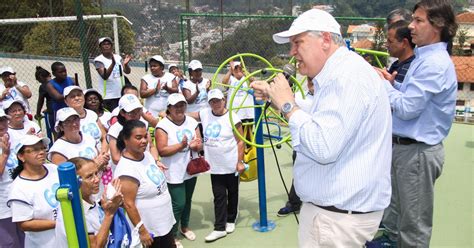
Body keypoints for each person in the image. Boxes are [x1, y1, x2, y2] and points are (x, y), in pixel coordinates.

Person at [250, 9, 392, 247]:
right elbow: (323, 113)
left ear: (325, 39)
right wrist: (276, 97)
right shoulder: (344, 71)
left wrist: (287, 105)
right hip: (336, 217)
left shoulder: (346, 78)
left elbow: (323, 146)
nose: (292, 52)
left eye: (298, 43)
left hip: (335, 222)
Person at [370, 1, 458, 247]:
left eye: (418, 21)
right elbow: (413, 98)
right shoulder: (424, 57)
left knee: (413, 226)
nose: (411, 26)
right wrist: (394, 84)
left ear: (438, 26)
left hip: (417, 153)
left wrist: (385, 87)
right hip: (407, 150)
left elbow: (408, 109)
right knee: (399, 212)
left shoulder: (434, 63)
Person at [187, 89, 245, 242]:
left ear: (224, 100)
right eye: (212, 101)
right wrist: (168, 113)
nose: (215, 104)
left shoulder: (233, 117)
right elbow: (189, 115)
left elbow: (240, 141)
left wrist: (239, 162)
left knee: (232, 193)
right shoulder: (205, 113)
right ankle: (220, 227)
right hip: (214, 165)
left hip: (231, 163)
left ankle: (231, 219)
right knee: (219, 196)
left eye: (218, 100)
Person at [114, 120, 176, 248]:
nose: (144, 141)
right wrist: (142, 231)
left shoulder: (146, 155)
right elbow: (128, 204)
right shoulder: (127, 170)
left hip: (163, 224)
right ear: (126, 139)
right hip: (150, 231)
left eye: (145, 136)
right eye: (138, 137)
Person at [155, 93, 202, 248]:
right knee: (178, 203)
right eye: (176, 106)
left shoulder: (192, 121)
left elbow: (199, 142)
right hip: (173, 171)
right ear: (169, 108)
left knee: (188, 200)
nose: (180, 108)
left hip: (190, 168)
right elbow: (162, 150)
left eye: (182, 105)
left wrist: (197, 146)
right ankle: (172, 235)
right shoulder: (162, 126)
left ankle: (185, 227)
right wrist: (182, 146)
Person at [55, 157, 123, 248]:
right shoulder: (75, 209)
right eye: (89, 176)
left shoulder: (89, 197)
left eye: (96, 173)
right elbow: (95, 246)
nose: (97, 179)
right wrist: (109, 214)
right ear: (77, 182)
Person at [7, 135, 58, 247]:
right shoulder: (18, 188)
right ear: (21, 156)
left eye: (42, 148)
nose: (41, 152)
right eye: (35, 150)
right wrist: (58, 224)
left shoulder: (54, 169)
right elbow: (24, 224)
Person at [277, 78, 314, 217]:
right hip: (301, 145)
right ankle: (294, 203)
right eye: (310, 80)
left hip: (321, 142)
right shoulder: (299, 96)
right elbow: (279, 104)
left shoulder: (329, 97)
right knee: (299, 175)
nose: (312, 83)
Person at [0, 108, 24, 248]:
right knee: (9, 243)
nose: (2, 124)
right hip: (3, 207)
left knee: (26, 240)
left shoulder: (14, 139)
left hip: (20, 200)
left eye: (3, 120)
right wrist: (4, 155)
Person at [63, 85, 108, 153]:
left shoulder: (92, 114)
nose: (77, 98)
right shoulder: (65, 118)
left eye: (79, 95)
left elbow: (104, 136)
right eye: (72, 96)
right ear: (66, 101)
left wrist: (103, 153)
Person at [94, 37, 132, 111]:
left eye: (108, 44)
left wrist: (126, 64)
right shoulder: (98, 60)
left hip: (121, 94)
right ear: (100, 47)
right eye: (104, 44)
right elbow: (104, 76)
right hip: (108, 97)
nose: (106, 46)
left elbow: (127, 71)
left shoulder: (118, 57)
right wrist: (113, 64)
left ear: (111, 46)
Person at [385, 20, 416, 85]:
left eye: (390, 41)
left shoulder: (407, 69)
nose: (386, 45)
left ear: (404, 43)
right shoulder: (397, 64)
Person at [35, 66, 55, 143]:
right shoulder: (56, 82)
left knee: (55, 132)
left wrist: (38, 113)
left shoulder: (43, 86)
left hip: (52, 111)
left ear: (40, 78)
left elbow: (40, 101)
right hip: (61, 108)